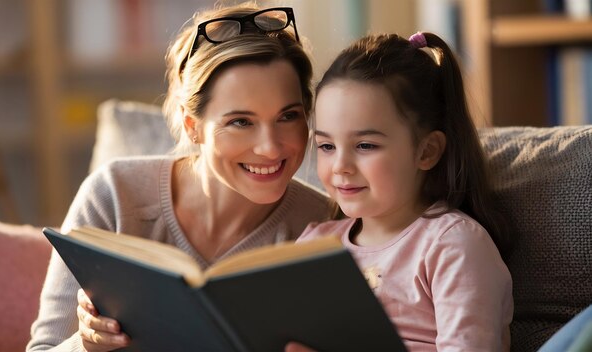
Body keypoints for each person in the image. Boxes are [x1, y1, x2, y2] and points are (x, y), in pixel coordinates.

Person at [27, 3, 331, 351]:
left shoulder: (324, 225)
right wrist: (85, 344)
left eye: (288, 116)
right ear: (193, 126)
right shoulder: (114, 195)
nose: (270, 148)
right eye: (241, 122)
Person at [290, 32, 514, 351]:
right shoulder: (312, 246)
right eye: (326, 145)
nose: (340, 165)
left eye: (365, 145)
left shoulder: (452, 245)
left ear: (427, 151)